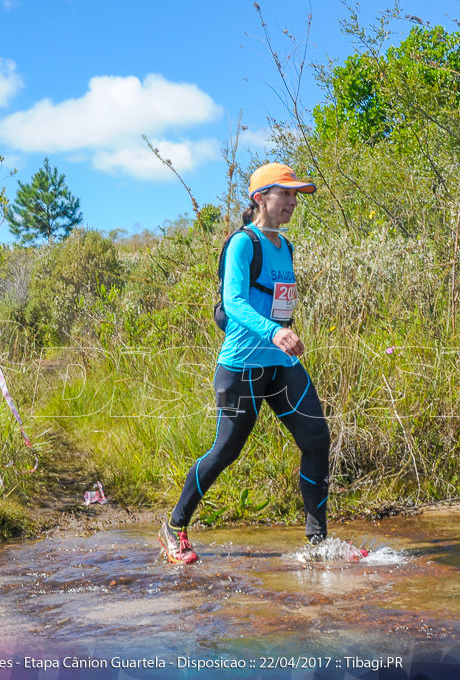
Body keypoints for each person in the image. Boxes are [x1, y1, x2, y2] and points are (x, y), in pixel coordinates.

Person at [158, 163, 330, 564]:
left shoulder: (284, 246)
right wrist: (273, 332)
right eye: (285, 194)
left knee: (317, 440)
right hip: (241, 368)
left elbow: (275, 300)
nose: (292, 202)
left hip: (279, 365)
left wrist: (282, 333)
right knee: (225, 451)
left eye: (295, 195)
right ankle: (175, 526)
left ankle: (319, 545)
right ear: (260, 198)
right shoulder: (243, 243)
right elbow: (233, 302)